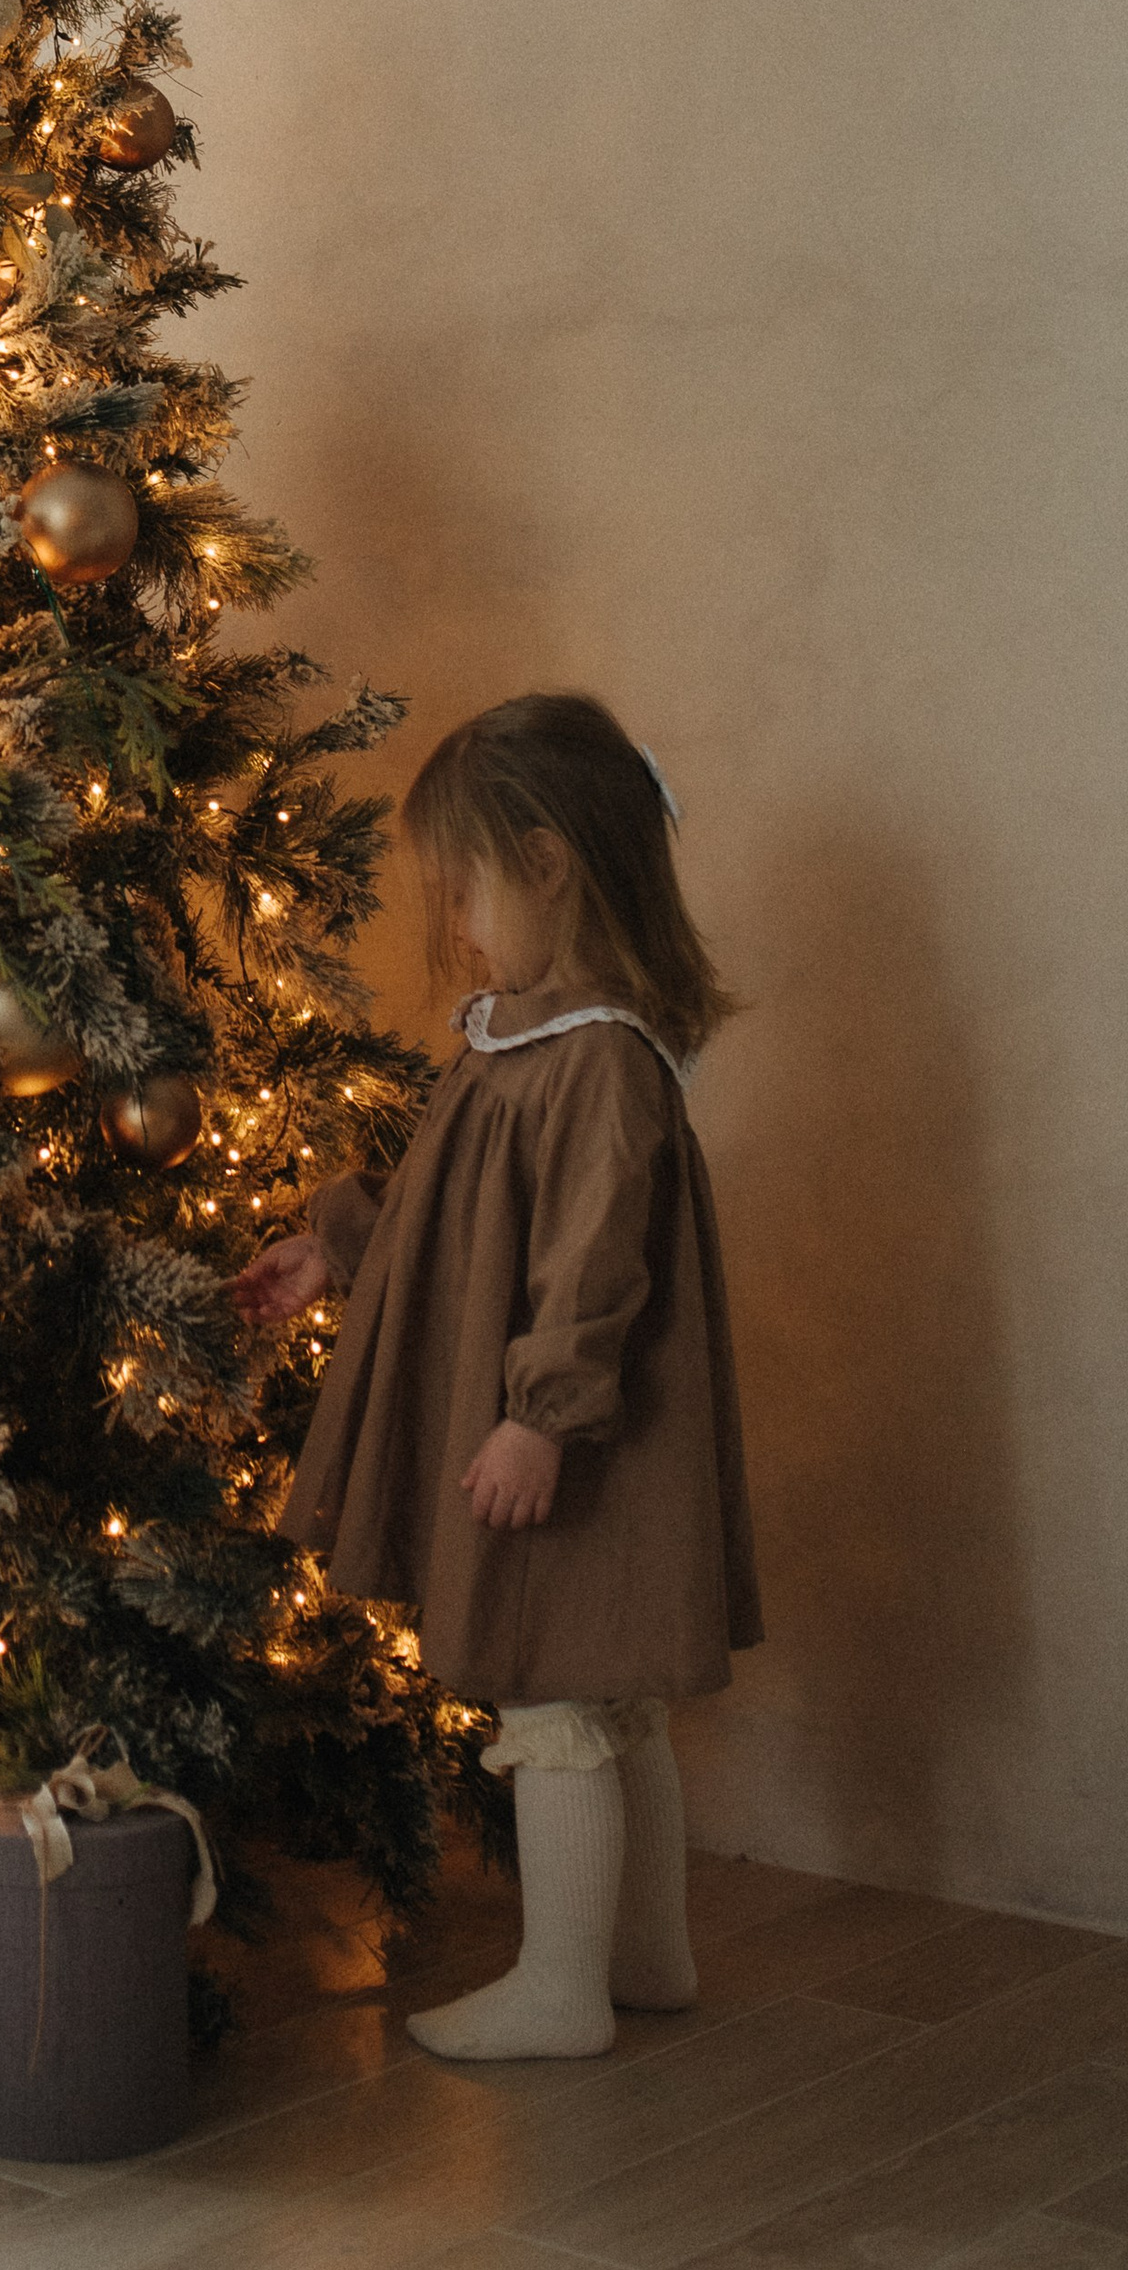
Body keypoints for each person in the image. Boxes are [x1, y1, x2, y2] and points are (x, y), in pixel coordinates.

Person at [238, 692, 759, 2060]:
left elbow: (595, 1265)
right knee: (602, 1684)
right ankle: (647, 1954)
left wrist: (541, 1417)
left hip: (584, 1436)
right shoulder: (523, 1033)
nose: (456, 918)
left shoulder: (599, 1058)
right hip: (564, 1421)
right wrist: (333, 1245)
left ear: (547, 863)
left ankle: (563, 1984)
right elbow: (444, 1200)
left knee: (556, 1683)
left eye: (465, 885)